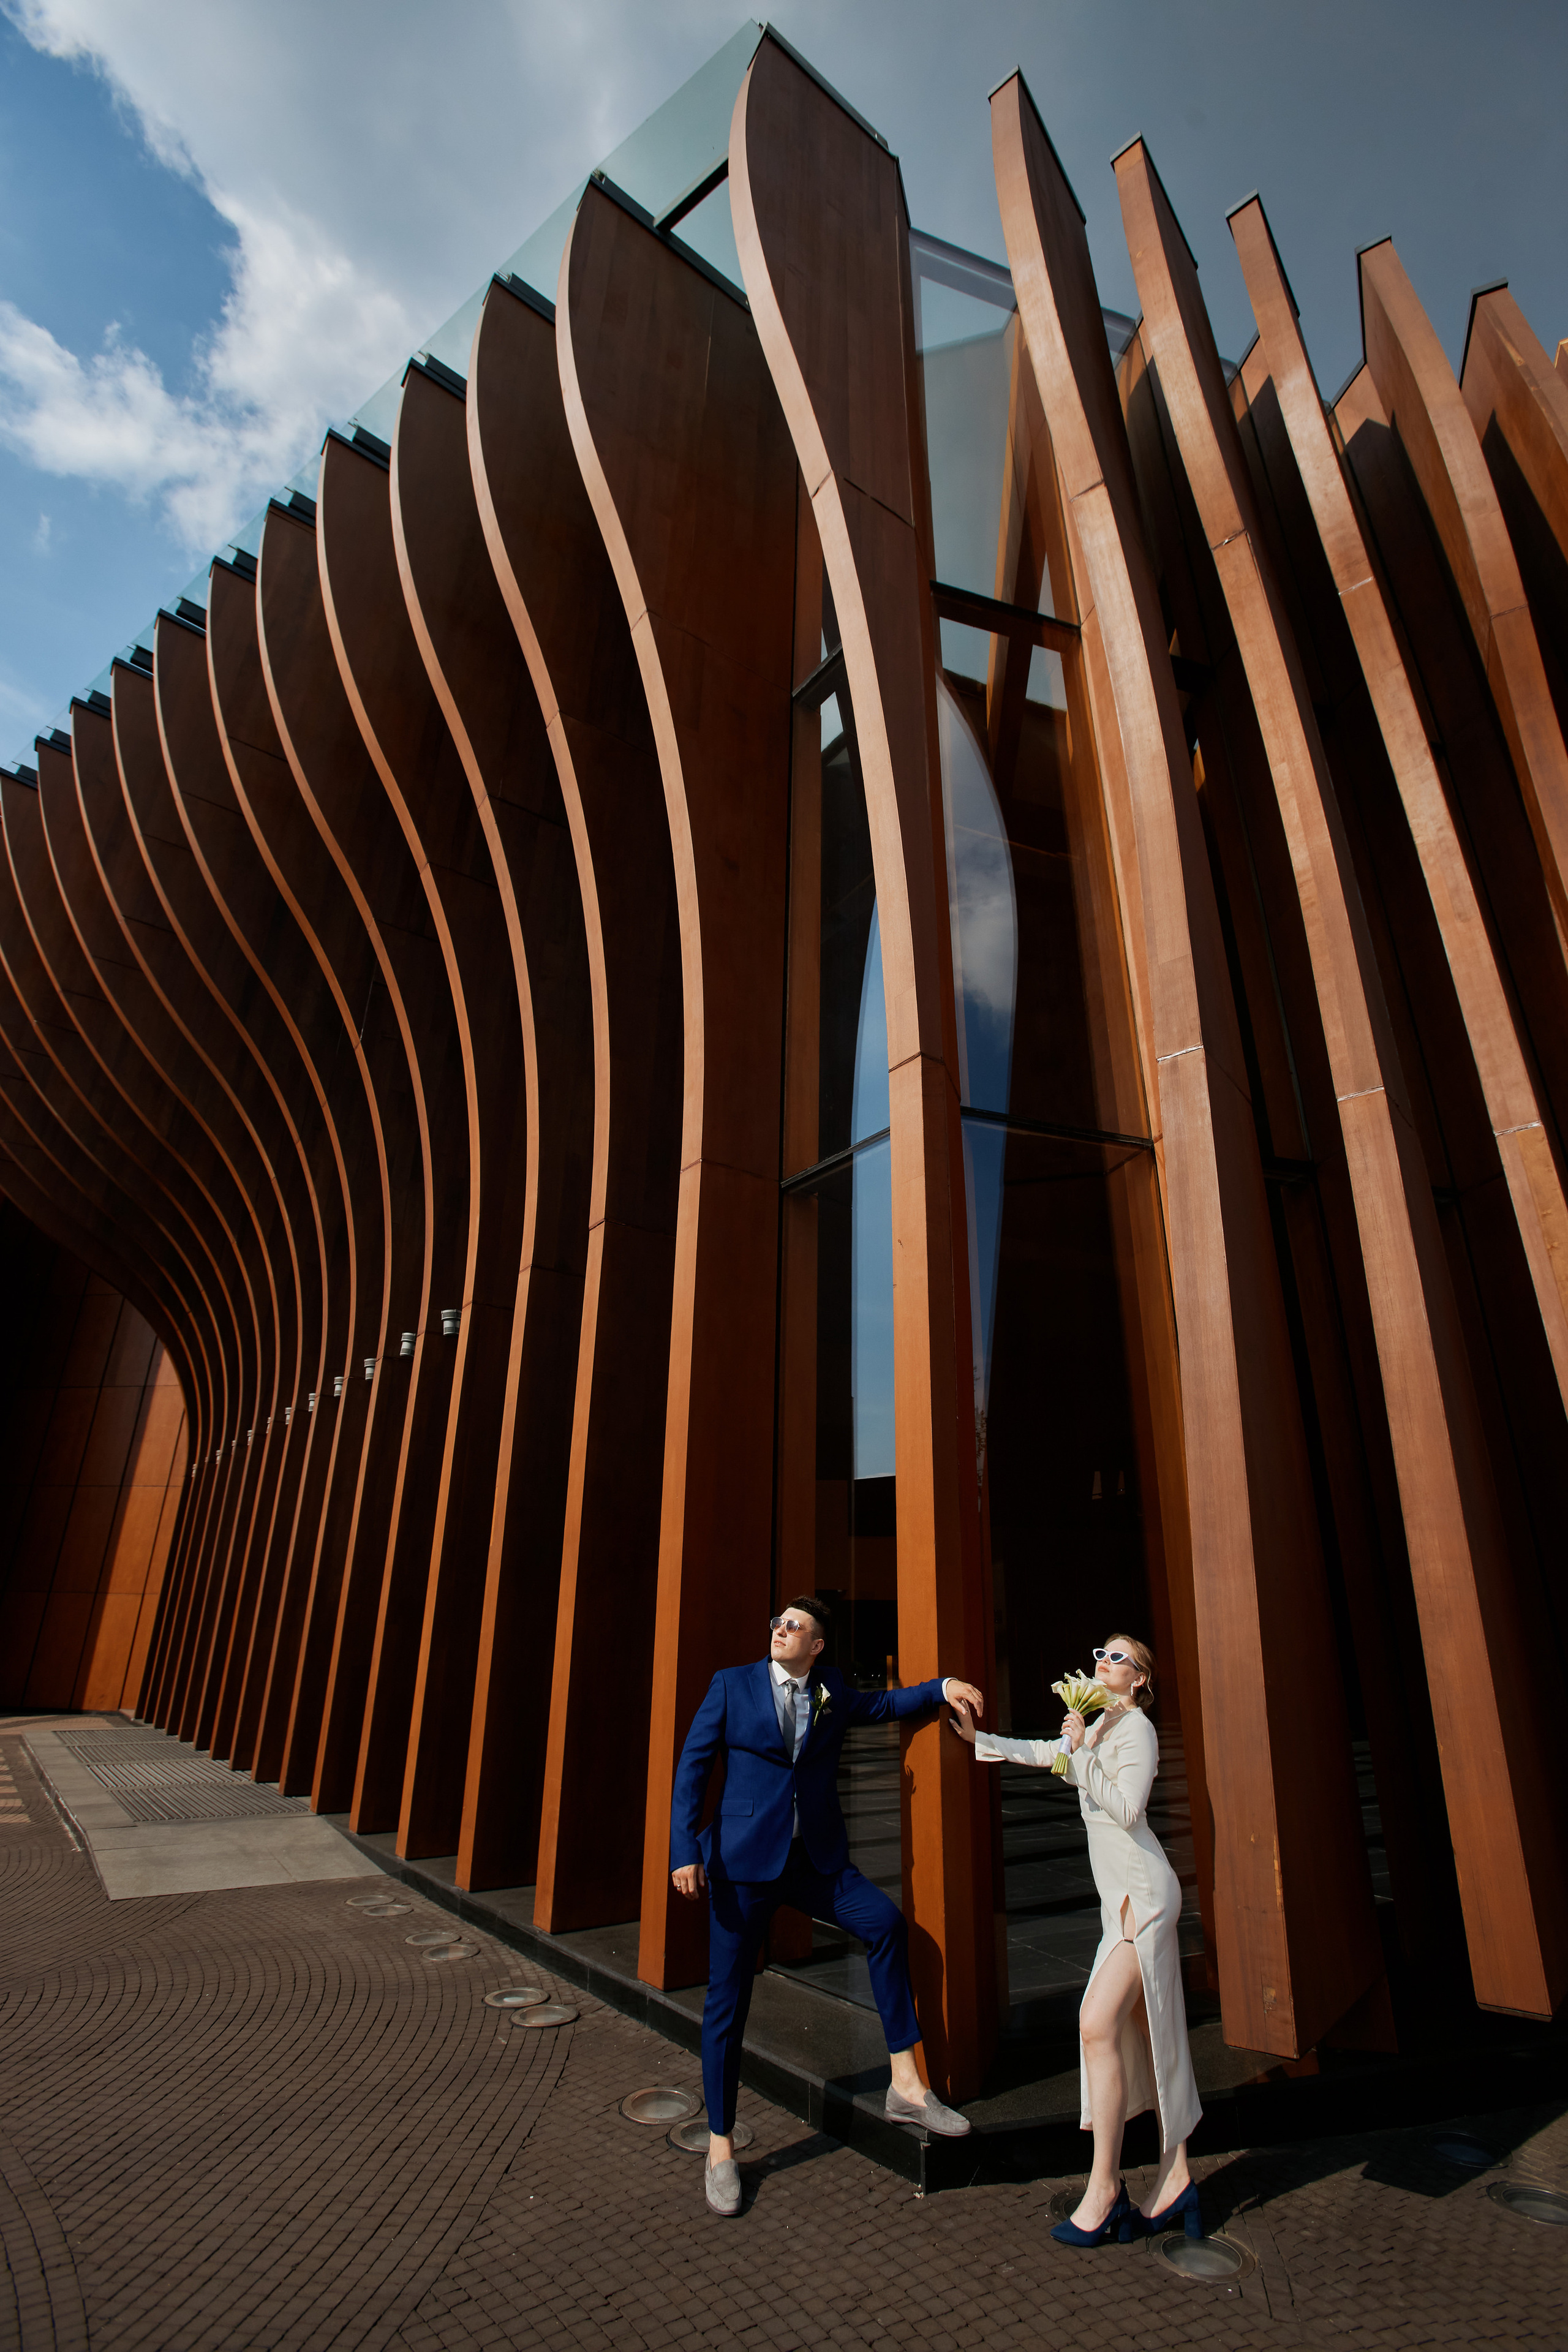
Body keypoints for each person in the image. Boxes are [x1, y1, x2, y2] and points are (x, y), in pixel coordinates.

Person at [671, 1595, 986, 2217]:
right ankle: (720, 2147)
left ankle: (904, 2086)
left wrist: (942, 1684)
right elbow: (693, 1766)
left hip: (815, 1862)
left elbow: (886, 1704)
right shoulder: (732, 1686)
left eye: (795, 1627)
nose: (781, 1631)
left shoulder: (833, 1689)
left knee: (886, 1925)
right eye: (778, 1623)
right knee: (726, 2004)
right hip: (741, 1869)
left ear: (817, 1646)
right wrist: (686, 1850)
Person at [950, 1634, 1202, 2246]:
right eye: (1100, 1654)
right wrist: (978, 1741)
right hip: (1118, 1906)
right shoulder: (1101, 1726)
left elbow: (1128, 1809)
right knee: (1134, 2033)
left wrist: (1084, 1750)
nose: (1103, 1663)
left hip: (1143, 1898)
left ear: (1140, 1679)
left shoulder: (1135, 1730)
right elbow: (1046, 1754)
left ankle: (1105, 2188)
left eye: (1119, 1658)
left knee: (1095, 2023)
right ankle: (1173, 2178)